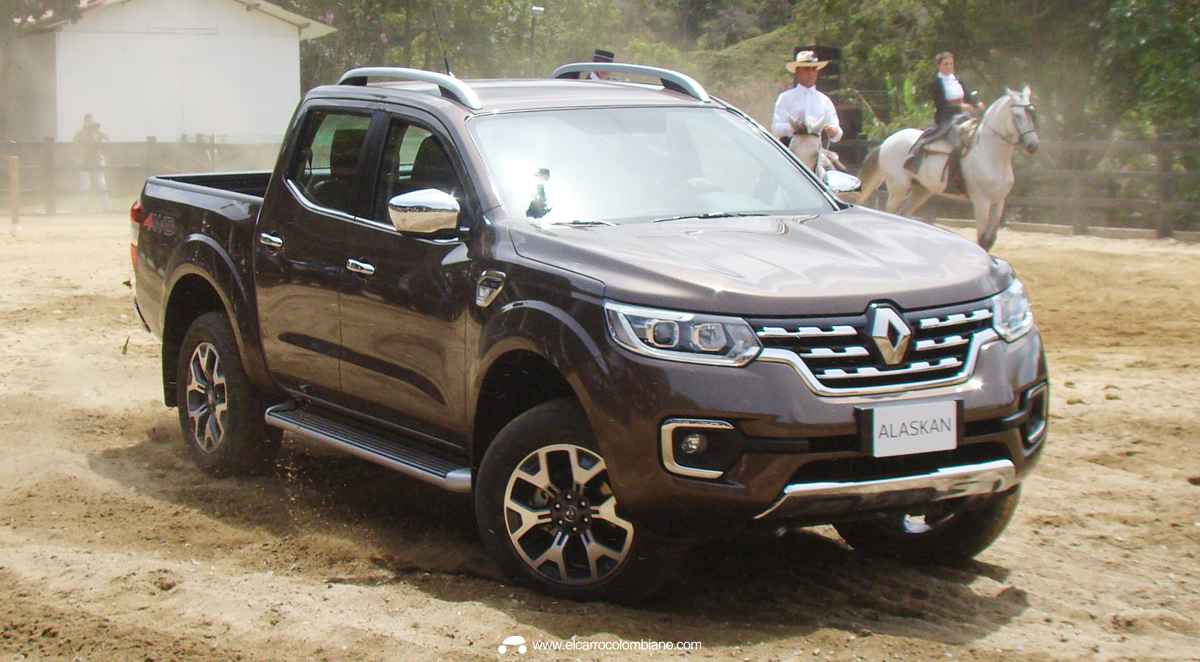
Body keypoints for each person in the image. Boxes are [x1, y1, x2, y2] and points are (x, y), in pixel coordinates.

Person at [905, 51, 983, 173]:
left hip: (965, 116)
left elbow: (968, 96)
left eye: (951, 64)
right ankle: (954, 174)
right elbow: (941, 106)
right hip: (947, 118)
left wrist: (976, 104)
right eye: (946, 64)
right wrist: (960, 108)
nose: (949, 66)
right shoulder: (936, 84)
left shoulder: (958, 80)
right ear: (939, 66)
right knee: (958, 143)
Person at [771, 50, 842, 148]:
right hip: (790, 148)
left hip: (816, 149)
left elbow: (837, 133)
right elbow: (776, 128)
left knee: (832, 158)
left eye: (814, 69)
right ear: (797, 72)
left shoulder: (824, 100)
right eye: (806, 69)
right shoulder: (785, 98)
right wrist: (793, 128)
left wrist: (833, 131)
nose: (811, 73)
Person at [74, 114, 110, 212]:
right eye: (88, 121)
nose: (90, 123)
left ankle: (106, 207)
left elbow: (107, 138)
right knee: (85, 185)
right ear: (85, 122)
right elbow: (75, 143)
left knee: (102, 184)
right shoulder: (80, 133)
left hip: (97, 161)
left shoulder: (97, 132)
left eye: (91, 121)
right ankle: (83, 208)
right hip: (85, 162)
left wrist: (98, 132)